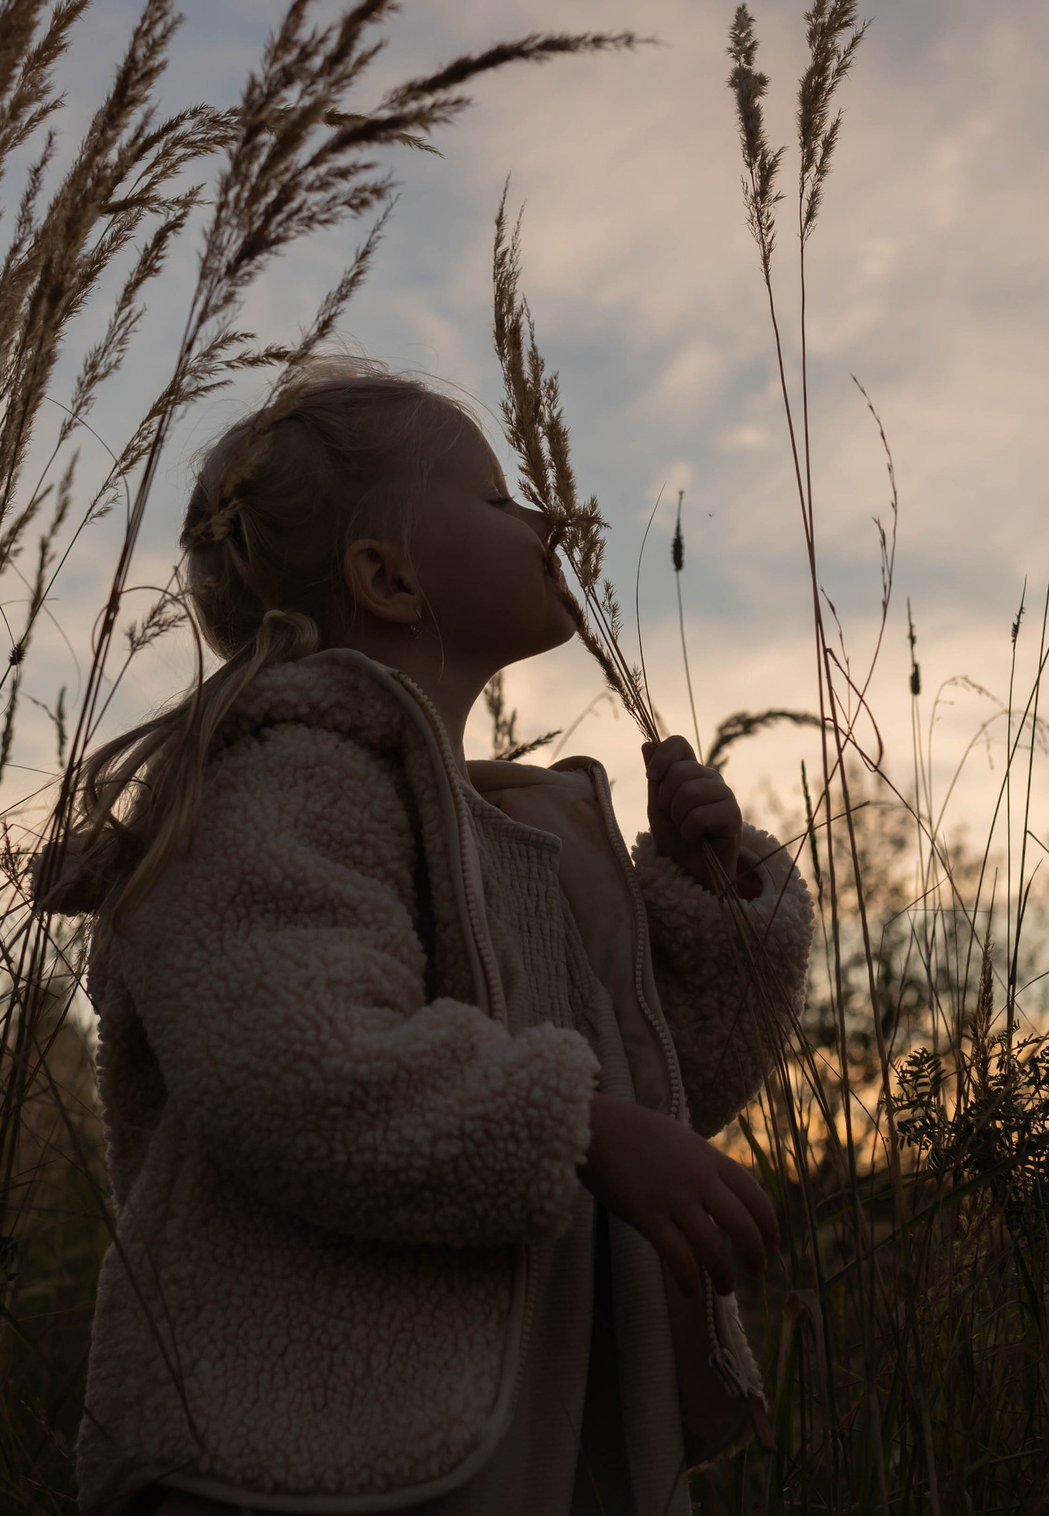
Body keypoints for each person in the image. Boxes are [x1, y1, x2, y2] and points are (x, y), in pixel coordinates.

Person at [41, 356, 814, 1515]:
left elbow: (659, 1098)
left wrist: (719, 905)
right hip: (300, 1458)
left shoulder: (514, 834)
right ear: (388, 579)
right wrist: (583, 1131)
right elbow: (296, 1069)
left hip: (532, 1441)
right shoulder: (278, 783)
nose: (544, 517)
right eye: (499, 499)